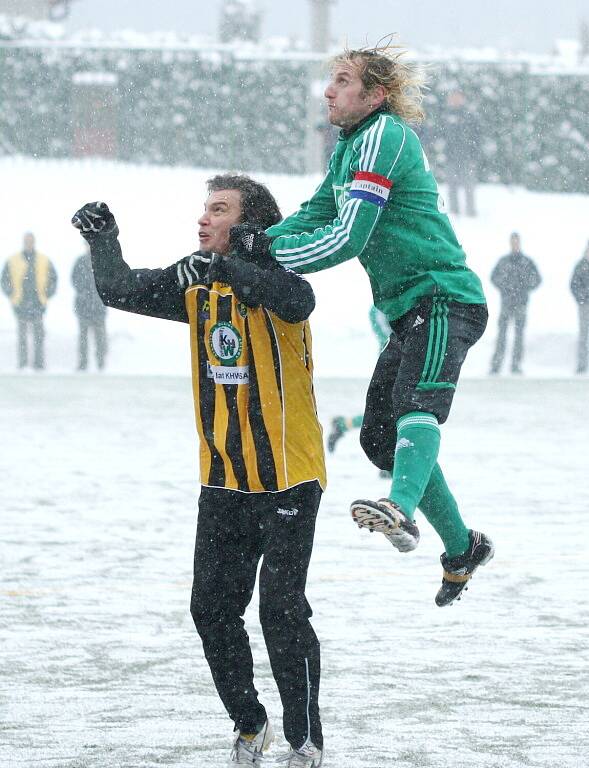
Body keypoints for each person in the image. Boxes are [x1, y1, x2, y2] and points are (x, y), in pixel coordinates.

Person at [71, 175, 325, 768]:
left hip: (289, 476)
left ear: (248, 225)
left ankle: (305, 737)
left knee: (280, 609)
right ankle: (250, 723)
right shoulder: (198, 282)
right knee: (210, 609)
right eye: (204, 209)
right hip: (224, 480)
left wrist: (228, 263)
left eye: (218, 210)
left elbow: (298, 301)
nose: (203, 219)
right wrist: (104, 240)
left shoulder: (277, 276)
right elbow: (118, 289)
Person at [264, 42, 494, 607]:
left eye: (342, 81)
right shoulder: (348, 149)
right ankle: (463, 548)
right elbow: (316, 214)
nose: (329, 90)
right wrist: (251, 247)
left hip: (446, 299)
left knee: (418, 405)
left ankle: (401, 509)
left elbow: (348, 237)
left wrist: (264, 266)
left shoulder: (385, 137)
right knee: (379, 438)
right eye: (331, 81)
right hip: (409, 312)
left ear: (375, 95)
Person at [327, 305, 391, 453]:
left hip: (399, 360)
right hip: (391, 362)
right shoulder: (379, 307)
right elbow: (388, 337)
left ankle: (342, 425)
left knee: (388, 412)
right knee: (386, 412)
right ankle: (388, 459)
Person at [1, 232, 57, 370]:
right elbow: (4, 280)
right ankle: (23, 363)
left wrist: (47, 293)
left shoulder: (44, 260)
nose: (29, 243)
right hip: (20, 304)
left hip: (38, 304)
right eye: (27, 241)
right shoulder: (13, 260)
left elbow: (53, 278)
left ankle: (39, 364)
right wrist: (11, 294)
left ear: (34, 242)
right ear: (23, 242)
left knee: (39, 336)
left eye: (31, 241)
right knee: (22, 337)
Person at [489, 232, 541, 375]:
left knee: (519, 335)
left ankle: (516, 364)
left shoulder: (527, 262)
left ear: (520, 243)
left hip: (521, 304)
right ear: (510, 243)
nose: (515, 244)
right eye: (513, 242)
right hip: (506, 303)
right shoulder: (504, 261)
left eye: (517, 242)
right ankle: (496, 365)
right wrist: (505, 287)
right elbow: (493, 277)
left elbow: (537, 279)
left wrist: (524, 287)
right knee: (502, 334)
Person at [443, 89, 480, 217]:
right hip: (451, 157)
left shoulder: (469, 115)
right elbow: (441, 135)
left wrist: (473, 154)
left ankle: (471, 211)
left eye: (458, 97)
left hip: (467, 157)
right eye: (453, 97)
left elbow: (476, 136)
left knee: (469, 185)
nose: (455, 100)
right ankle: (454, 211)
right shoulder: (445, 115)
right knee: (452, 186)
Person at [71, 244, 108, 370]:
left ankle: (101, 363)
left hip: (99, 307)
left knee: (100, 338)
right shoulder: (80, 262)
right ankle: (83, 363)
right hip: (84, 307)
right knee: (83, 338)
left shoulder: (103, 261)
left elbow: (110, 281)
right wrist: (84, 292)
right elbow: (74, 280)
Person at [570, 241, 589, 374]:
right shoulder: (581, 265)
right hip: (584, 306)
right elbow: (573, 284)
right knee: (583, 335)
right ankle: (582, 364)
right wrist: (581, 298)